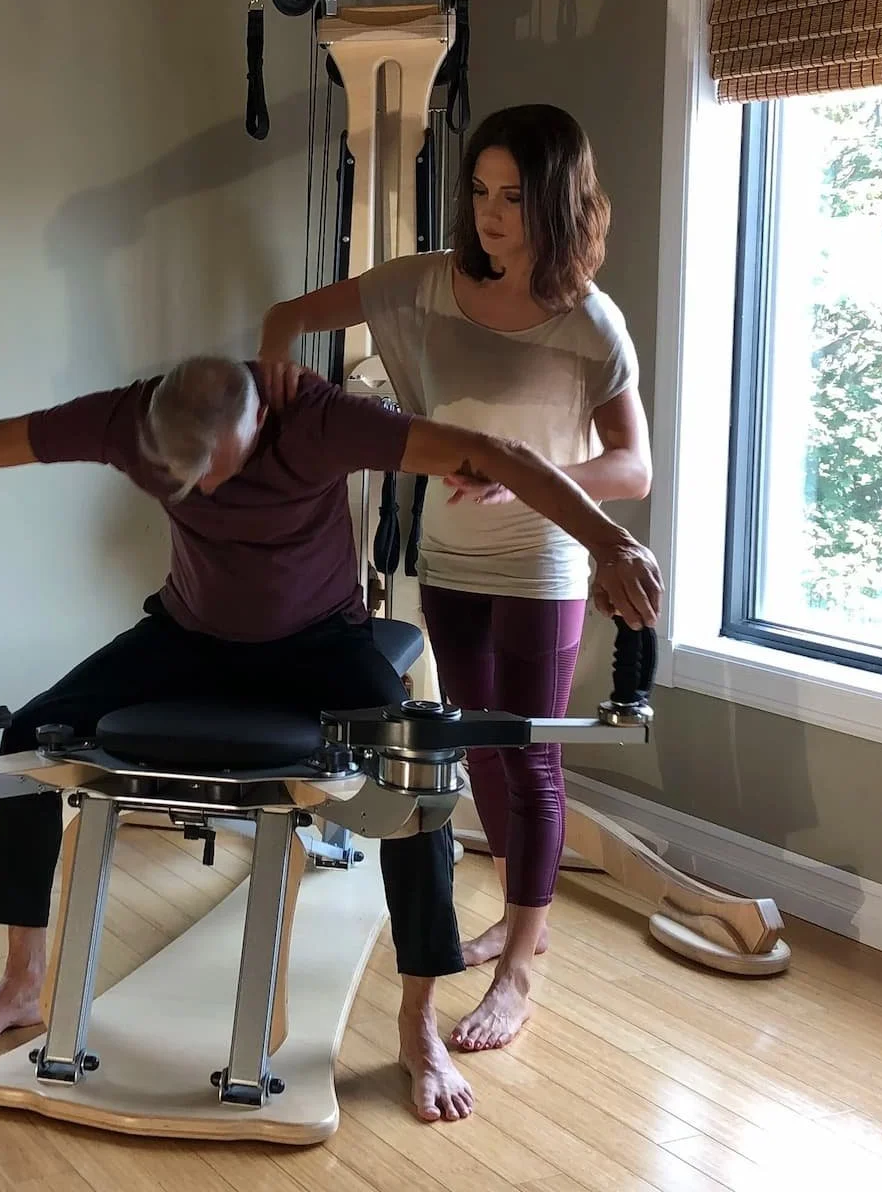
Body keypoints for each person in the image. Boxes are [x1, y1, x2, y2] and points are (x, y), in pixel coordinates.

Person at [0, 354, 660, 1122]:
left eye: (218, 467)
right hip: (187, 636)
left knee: (419, 777)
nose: (204, 489)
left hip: (322, 645)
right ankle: (22, 981)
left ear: (259, 422)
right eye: (183, 476)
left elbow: (492, 452)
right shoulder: (123, 419)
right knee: (30, 736)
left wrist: (611, 543)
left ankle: (417, 1025)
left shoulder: (322, 419)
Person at [257, 103, 652, 1054]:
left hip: (544, 566)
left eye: (513, 196)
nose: (490, 213)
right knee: (476, 752)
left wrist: (523, 485)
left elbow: (633, 468)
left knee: (530, 758)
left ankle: (520, 961)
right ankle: (528, 915)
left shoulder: (591, 324)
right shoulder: (421, 288)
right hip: (447, 562)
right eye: (479, 191)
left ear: (556, 201)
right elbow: (287, 318)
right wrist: (278, 397)